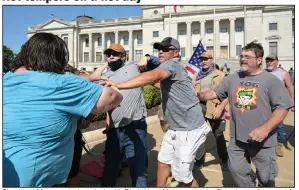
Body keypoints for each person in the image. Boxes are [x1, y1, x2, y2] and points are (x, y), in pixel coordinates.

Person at [3, 32, 123, 187]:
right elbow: (114, 97)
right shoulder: (62, 83)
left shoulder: (7, 78)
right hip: (36, 176)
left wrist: (90, 78)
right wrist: (105, 86)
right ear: (58, 56)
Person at [101, 37, 210, 187]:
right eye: (159, 49)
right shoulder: (166, 66)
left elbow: (153, 76)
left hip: (189, 128)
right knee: (163, 162)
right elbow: (156, 79)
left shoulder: (172, 65)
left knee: (183, 177)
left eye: (165, 49)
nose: (160, 52)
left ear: (176, 53)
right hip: (175, 127)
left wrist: (118, 85)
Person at [197, 42, 293, 187]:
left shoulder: (271, 80)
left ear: (259, 60)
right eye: (241, 56)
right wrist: (201, 95)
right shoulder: (233, 78)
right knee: (237, 172)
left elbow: (283, 107)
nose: (243, 59)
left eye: (248, 56)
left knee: (266, 179)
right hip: (237, 141)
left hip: (263, 141)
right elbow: (216, 93)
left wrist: (265, 129)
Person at [99, 44, 153, 187]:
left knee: (138, 168)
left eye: (115, 54)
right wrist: (107, 118)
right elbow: (106, 101)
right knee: (110, 166)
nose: (111, 56)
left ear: (123, 56)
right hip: (114, 129)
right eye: (108, 53)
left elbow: (159, 66)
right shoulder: (105, 75)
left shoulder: (135, 67)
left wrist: (147, 57)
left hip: (135, 126)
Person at [192, 52, 229, 171]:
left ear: (211, 60)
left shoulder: (220, 75)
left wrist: (221, 107)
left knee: (218, 135)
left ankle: (224, 159)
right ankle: (199, 161)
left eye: (206, 59)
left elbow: (227, 94)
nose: (203, 61)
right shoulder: (196, 75)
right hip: (199, 108)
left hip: (215, 108)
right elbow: (193, 92)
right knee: (199, 135)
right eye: (202, 59)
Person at [265, 55, 295, 157]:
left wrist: (292, 102)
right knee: (265, 123)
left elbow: (290, 87)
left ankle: (279, 144)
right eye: (267, 60)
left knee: (279, 125)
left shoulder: (283, 73)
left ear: (276, 62)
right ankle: (267, 142)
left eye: (271, 61)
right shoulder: (263, 73)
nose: (269, 62)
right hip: (266, 103)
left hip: (279, 104)